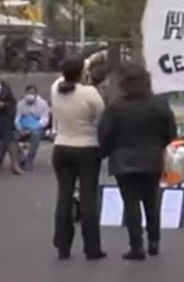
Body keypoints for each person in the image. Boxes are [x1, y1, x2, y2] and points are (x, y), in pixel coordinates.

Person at [99, 62, 177, 261]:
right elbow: (171, 132)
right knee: (152, 201)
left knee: (131, 204)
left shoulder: (116, 107)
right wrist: (158, 145)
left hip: (123, 159)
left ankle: (136, 246)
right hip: (151, 158)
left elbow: (105, 134)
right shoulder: (159, 104)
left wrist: (107, 152)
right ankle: (154, 240)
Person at [50, 56, 106, 261]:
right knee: (88, 198)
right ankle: (92, 247)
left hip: (61, 146)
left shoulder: (56, 88)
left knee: (64, 196)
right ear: (83, 73)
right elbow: (102, 116)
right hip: (87, 147)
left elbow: (67, 74)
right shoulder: (90, 93)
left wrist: (84, 64)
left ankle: (62, 245)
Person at [14, 85, 50, 170]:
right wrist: (19, 128)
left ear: (36, 94)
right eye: (28, 93)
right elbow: (17, 118)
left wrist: (32, 129)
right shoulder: (20, 104)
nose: (30, 95)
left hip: (37, 129)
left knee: (36, 135)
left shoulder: (42, 104)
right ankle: (21, 158)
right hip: (23, 128)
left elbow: (45, 120)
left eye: (32, 93)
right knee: (10, 137)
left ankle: (29, 161)